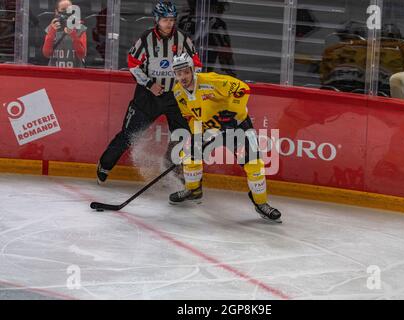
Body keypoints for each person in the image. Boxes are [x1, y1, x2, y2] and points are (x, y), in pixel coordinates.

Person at [96, 1, 202, 184]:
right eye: (165, 20)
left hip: (175, 96)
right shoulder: (146, 39)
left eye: (171, 19)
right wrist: (149, 84)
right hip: (148, 96)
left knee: (183, 134)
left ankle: (169, 167)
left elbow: (196, 64)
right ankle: (104, 165)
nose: (169, 23)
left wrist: (187, 84)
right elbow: (133, 63)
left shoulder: (183, 39)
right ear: (157, 20)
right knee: (129, 134)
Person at [169, 53, 282, 223]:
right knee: (191, 156)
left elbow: (242, 88)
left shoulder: (210, 81)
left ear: (193, 70)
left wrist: (231, 112)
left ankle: (261, 203)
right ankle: (193, 190)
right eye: (178, 73)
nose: (182, 77)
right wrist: (196, 135)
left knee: (255, 165)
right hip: (209, 128)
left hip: (239, 126)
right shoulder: (178, 92)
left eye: (185, 72)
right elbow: (191, 117)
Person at [42, 0, 87, 68]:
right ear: (56, 11)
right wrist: (52, 31)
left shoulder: (80, 28)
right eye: (63, 9)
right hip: (55, 73)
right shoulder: (51, 28)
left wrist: (73, 34)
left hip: (75, 73)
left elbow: (82, 54)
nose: (66, 12)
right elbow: (46, 53)